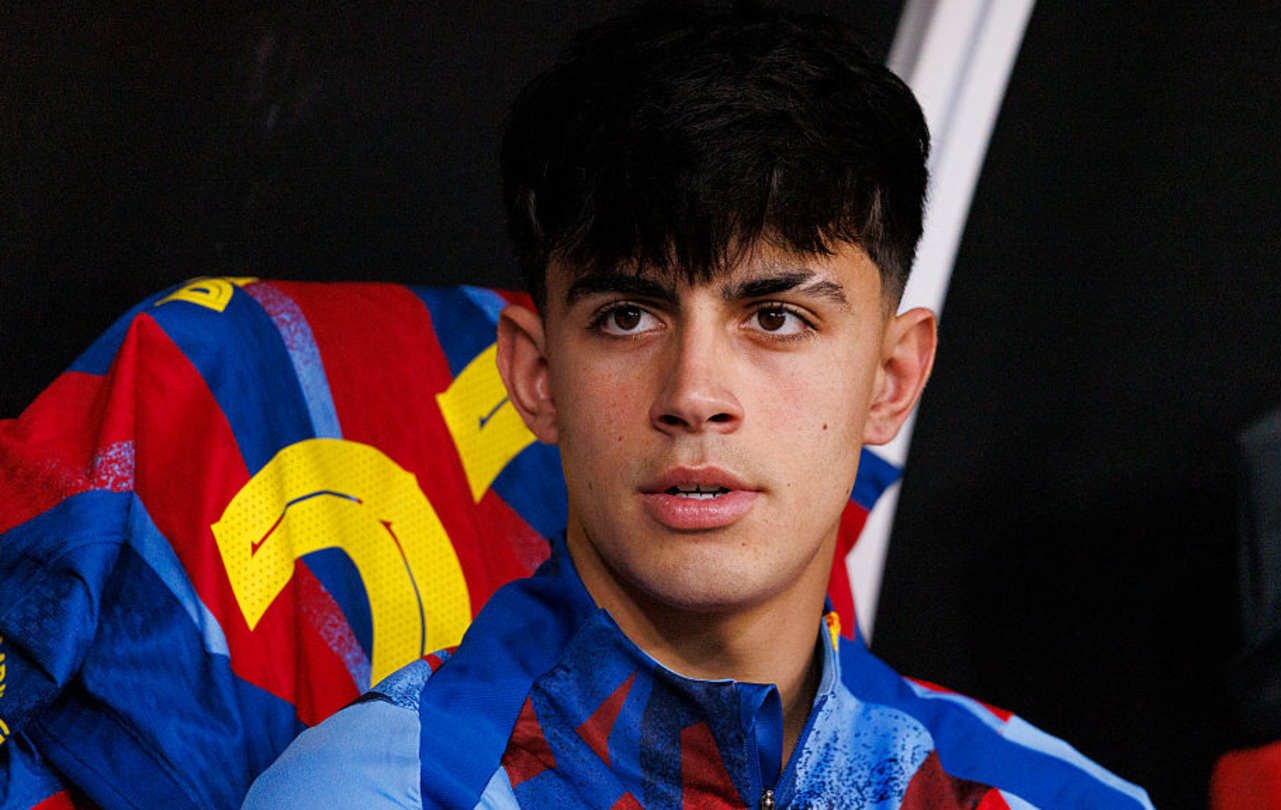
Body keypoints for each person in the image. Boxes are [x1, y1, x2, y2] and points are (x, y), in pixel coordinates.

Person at [244, 4, 1152, 808]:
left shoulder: (1052, 799)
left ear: (891, 379)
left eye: (775, 317)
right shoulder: (376, 792)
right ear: (535, 376)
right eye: (628, 315)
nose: (694, 397)